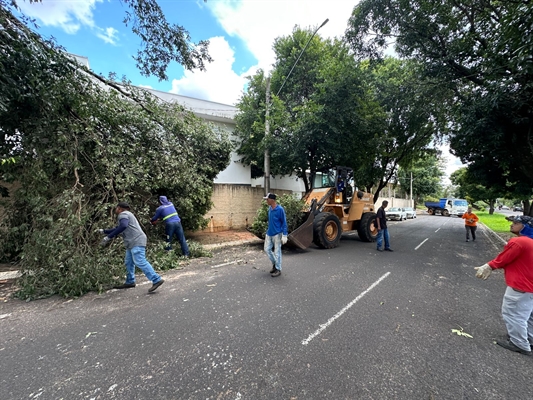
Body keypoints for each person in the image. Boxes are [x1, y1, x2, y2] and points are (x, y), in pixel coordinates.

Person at [474, 215, 533, 355]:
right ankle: (529, 339)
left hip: (521, 286)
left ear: (525, 226)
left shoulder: (520, 242)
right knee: (528, 315)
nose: (512, 225)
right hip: (529, 287)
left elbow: (503, 259)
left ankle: (519, 343)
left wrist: (489, 266)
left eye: (516, 223)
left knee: (513, 314)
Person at [100, 201, 164, 293]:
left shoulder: (123, 214)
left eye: (116, 208)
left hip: (136, 241)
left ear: (119, 208)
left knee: (140, 261)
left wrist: (108, 237)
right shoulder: (128, 215)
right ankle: (130, 281)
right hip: (132, 242)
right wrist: (104, 231)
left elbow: (123, 226)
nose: (116, 210)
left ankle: (156, 279)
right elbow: (119, 228)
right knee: (128, 262)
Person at [263, 193, 288, 277]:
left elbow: (284, 222)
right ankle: (275, 264)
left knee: (277, 252)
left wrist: (284, 234)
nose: (266, 200)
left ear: (272, 200)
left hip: (277, 234)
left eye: (267, 199)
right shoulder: (270, 208)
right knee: (267, 249)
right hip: (269, 233)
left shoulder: (280, 209)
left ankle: (278, 269)